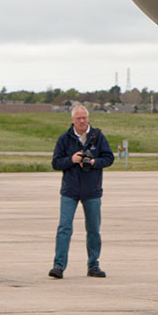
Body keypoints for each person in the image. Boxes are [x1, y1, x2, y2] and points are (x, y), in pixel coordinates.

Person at [49, 104, 114, 279]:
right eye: (79, 118)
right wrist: (71, 160)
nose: (82, 121)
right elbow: (56, 163)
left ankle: (93, 265)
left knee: (93, 229)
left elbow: (109, 158)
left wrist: (94, 162)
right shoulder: (65, 139)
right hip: (70, 190)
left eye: (85, 117)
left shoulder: (98, 137)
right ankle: (58, 266)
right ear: (72, 120)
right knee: (64, 228)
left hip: (92, 190)